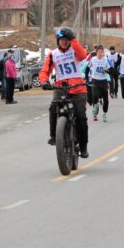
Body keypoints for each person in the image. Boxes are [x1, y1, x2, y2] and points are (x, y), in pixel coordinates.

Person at [40, 28, 90, 158]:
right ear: (58, 41)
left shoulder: (75, 50)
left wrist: (74, 39)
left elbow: (83, 55)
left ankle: (83, 146)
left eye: (66, 40)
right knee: (53, 108)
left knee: (81, 117)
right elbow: (45, 70)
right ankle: (54, 136)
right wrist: (44, 81)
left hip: (78, 88)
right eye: (61, 40)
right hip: (61, 88)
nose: (64, 42)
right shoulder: (53, 54)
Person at [88, 45, 111, 122]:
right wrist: (86, 78)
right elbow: (87, 68)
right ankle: (95, 112)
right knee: (95, 96)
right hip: (95, 80)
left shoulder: (106, 60)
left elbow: (110, 70)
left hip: (103, 81)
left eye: (101, 52)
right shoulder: (93, 59)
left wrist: (106, 71)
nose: (100, 53)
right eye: (99, 52)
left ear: (103, 53)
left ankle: (104, 114)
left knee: (106, 100)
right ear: (96, 52)